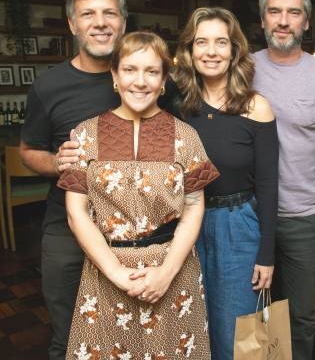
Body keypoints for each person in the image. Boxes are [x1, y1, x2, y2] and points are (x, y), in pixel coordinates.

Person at [58, 31, 219, 359]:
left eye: (151, 71)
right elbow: (76, 213)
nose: (140, 81)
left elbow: (194, 206)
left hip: (171, 275)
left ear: (163, 80)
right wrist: (116, 273)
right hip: (105, 273)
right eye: (130, 70)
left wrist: (166, 273)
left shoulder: (186, 136)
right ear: (115, 75)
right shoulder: (84, 135)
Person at [19, 0, 127, 360]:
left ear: (123, 23)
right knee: (67, 337)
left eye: (109, 13)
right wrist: (55, 161)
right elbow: (28, 150)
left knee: (126, 334)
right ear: (72, 25)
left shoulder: (142, 78)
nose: (100, 22)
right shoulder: (49, 86)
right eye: (88, 14)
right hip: (66, 230)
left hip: (133, 233)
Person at [172, 7, 279, 360]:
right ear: (189, 51)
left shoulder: (256, 107)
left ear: (234, 51)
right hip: (187, 227)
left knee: (238, 335)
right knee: (192, 328)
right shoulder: (178, 107)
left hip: (238, 227)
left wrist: (266, 254)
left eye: (221, 42)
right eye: (201, 42)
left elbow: (267, 185)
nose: (211, 51)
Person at [252, 0, 315, 360]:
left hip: (303, 218)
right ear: (262, 20)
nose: (283, 21)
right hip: (248, 215)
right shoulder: (240, 68)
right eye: (275, 11)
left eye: (293, 12)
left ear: (306, 22)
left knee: (302, 316)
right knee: (256, 315)